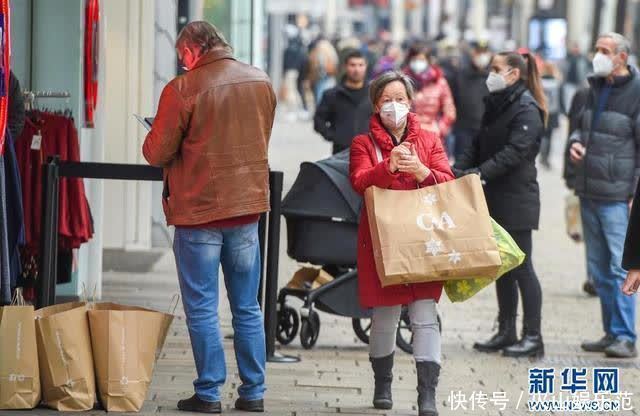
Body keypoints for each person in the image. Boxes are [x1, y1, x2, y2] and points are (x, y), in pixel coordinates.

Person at [142, 21, 276, 413]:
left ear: (193, 49)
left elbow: (156, 152)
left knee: (202, 306)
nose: (182, 63)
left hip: (199, 210)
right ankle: (253, 393)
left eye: (182, 55)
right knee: (247, 306)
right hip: (246, 209)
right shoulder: (260, 81)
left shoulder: (182, 89)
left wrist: (156, 132)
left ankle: (209, 393)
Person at [350, 71, 455, 416]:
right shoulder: (364, 144)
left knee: (425, 314)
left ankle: (427, 394)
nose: (393, 106)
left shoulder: (429, 140)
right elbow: (360, 183)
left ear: (410, 103)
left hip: (425, 239)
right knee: (385, 315)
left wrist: (423, 172)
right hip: (383, 241)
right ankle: (383, 383)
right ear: (376, 105)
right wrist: (388, 169)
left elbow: (447, 183)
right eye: (386, 100)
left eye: (400, 99)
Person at [454, 50, 547, 359]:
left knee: (522, 267)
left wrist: (479, 173)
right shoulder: (496, 104)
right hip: (493, 197)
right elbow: (478, 143)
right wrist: (458, 169)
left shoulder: (526, 108)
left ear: (513, 74)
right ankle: (506, 330)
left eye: (496, 69)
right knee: (501, 266)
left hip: (517, 199)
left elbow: (515, 152)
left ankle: (533, 336)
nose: (489, 74)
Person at [569, 33, 640, 359]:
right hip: (589, 190)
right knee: (598, 270)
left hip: (617, 195)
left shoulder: (636, 94)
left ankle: (626, 335)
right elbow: (578, 126)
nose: (597, 55)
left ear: (622, 57)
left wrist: (634, 193)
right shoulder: (591, 88)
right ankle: (611, 331)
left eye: (605, 51)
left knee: (618, 267)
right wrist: (575, 142)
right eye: (596, 48)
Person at [562, 85, 597, 297]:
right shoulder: (584, 94)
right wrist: (570, 174)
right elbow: (572, 133)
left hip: (621, 183)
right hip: (585, 177)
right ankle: (594, 277)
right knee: (592, 234)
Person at [314, 49, 372, 154]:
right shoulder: (332, 94)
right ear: (345, 67)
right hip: (340, 152)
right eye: (352, 65)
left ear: (366, 66)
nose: (357, 69)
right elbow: (318, 121)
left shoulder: (373, 94)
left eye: (360, 65)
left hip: (368, 152)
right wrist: (334, 136)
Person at [403, 44, 456, 152]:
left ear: (428, 61)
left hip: (433, 137)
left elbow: (449, 110)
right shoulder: (403, 81)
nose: (418, 63)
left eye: (421, 59)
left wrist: (439, 129)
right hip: (407, 139)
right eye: (414, 59)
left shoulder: (439, 82)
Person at [452, 41, 491, 160]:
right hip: (464, 129)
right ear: (473, 54)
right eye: (478, 53)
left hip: (487, 130)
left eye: (484, 53)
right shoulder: (461, 74)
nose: (481, 56)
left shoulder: (494, 76)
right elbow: (453, 100)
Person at [539, 61, 562, 169]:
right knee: (549, 136)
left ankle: (542, 157)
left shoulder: (539, 82)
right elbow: (560, 99)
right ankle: (546, 158)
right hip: (553, 112)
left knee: (542, 135)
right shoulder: (556, 83)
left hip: (542, 111)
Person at [308, 36, 339, 105]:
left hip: (322, 78)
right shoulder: (330, 48)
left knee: (321, 100)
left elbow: (318, 65)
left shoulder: (320, 48)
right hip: (329, 78)